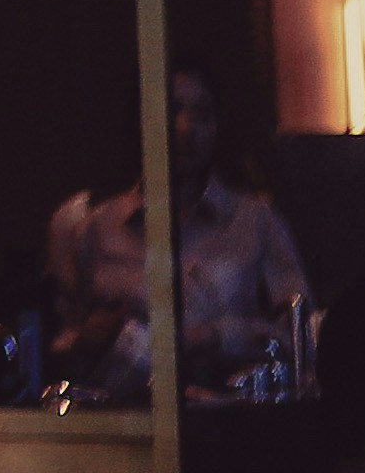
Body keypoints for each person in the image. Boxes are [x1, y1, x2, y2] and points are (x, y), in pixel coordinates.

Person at [43, 67, 315, 400]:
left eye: (202, 115)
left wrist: (221, 336)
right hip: (126, 416)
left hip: (229, 414)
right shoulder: (96, 227)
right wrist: (88, 338)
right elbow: (58, 343)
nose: (186, 129)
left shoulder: (254, 220)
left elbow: (300, 331)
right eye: (171, 112)